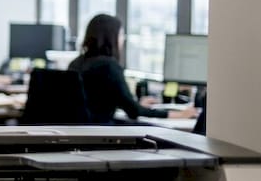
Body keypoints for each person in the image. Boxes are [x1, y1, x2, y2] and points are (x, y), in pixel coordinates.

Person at [68, 13, 197, 124]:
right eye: (121, 34)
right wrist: (178, 115)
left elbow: (98, 101)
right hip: (100, 133)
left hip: (78, 130)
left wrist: (136, 104)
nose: (122, 39)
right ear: (111, 37)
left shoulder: (76, 63)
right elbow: (134, 111)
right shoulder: (110, 66)